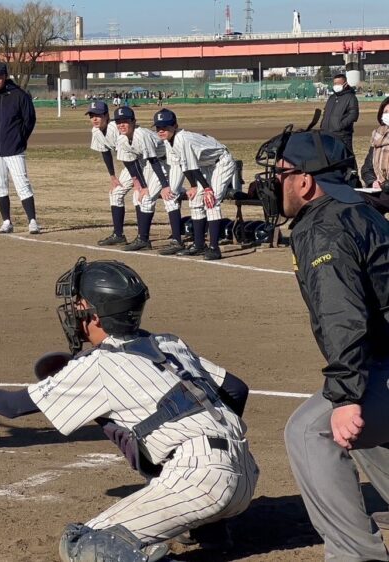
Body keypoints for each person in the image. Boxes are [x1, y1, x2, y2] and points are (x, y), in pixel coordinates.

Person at [0, 257, 257, 561]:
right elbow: (235, 389)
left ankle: (201, 516)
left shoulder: (100, 365)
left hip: (201, 481)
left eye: (77, 304)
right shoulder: (169, 343)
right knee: (156, 430)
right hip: (244, 476)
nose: (72, 311)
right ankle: (211, 526)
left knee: (83, 543)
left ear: (92, 314)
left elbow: (12, 406)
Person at [253, 129, 389, 560]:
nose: (272, 183)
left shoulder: (322, 228)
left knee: (311, 431)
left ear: (306, 182)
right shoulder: (359, 209)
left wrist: (347, 395)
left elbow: (342, 316)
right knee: (361, 432)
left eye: (280, 174)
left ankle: (356, 557)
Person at [154, 108, 237, 260]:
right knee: (195, 201)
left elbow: (192, 167)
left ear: (175, 125)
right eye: (158, 127)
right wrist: (194, 186)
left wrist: (206, 188)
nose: (161, 130)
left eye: (165, 126)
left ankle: (214, 248)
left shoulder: (182, 139)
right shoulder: (168, 142)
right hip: (206, 166)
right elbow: (183, 166)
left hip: (221, 162)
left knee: (211, 200)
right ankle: (199, 245)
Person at [112, 107, 184, 253]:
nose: (121, 125)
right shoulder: (121, 138)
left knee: (169, 197)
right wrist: (139, 184)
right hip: (152, 164)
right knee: (141, 198)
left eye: (125, 121)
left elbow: (154, 161)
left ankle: (177, 241)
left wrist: (164, 185)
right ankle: (143, 239)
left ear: (133, 121)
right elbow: (130, 162)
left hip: (169, 161)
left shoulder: (141, 135)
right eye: (118, 122)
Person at [0, 60, 40, 235]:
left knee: (22, 184)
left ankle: (32, 221)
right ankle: (6, 221)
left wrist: (20, 138)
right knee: (0, 185)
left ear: (6, 76)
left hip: (14, 148)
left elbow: (29, 120)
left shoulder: (19, 95)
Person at [87, 100, 132, 247]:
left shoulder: (115, 129)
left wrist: (138, 181)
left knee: (156, 195)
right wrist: (113, 177)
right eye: (92, 115)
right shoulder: (96, 131)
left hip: (145, 161)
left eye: (98, 115)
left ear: (106, 116)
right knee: (116, 193)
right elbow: (105, 152)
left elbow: (128, 155)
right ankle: (118, 235)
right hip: (132, 164)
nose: (94, 119)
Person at [320, 73, 360, 169]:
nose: (336, 85)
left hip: (342, 135)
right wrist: (323, 125)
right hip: (327, 133)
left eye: (338, 83)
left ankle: (353, 177)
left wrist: (340, 126)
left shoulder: (351, 97)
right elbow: (326, 113)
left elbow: (353, 115)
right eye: (334, 83)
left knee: (347, 157)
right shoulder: (332, 98)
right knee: (329, 158)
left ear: (345, 84)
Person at [360, 96, 389, 213]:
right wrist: (373, 182)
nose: (388, 114)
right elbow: (367, 168)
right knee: (355, 200)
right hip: (381, 190)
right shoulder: (377, 137)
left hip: (386, 190)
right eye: (386, 112)